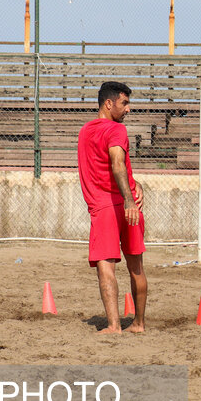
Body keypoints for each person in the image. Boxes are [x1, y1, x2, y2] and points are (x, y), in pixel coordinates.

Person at [77, 81, 147, 334]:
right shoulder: (116, 130)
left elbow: (115, 166)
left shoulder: (85, 131)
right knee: (136, 266)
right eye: (124, 103)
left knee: (106, 266)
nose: (128, 110)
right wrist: (130, 196)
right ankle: (138, 324)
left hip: (107, 207)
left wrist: (131, 190)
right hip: (128, 206)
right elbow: (116, 164)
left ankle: (114, 325)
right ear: (109, 103)